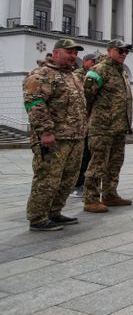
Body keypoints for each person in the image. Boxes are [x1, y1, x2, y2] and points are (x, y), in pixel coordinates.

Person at [23, 39, 88, 231]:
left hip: (74, 137)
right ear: (56, 52)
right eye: (69, 52)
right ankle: (37, 217)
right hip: (53, 138)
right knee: (48, 178)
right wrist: (45, 131)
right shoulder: (42, 74)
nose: (73, 56)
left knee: (68, 178)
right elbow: (35, 103)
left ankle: (54, 211)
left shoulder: (72, 76)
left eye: (75, 53)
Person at [83, 39, 133, 213]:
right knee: (98, 164)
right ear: (110, 50)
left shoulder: (122, 72)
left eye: (126, 52)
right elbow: (87, 96)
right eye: (121, 51)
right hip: (102, 127)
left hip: (119, 127)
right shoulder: (99, 70)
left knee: (115, 163)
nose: (124, 54)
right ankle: (91, 199)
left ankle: (110, 194)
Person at [70, 53, 97, 198]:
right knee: (82, 155)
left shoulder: (94, 75)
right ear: (85, 61)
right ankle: (77, 184)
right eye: (93, 61)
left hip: (91, 121)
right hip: (80, 121)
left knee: (89, 153)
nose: (94, 64)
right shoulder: (78, 75)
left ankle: (83, 183)